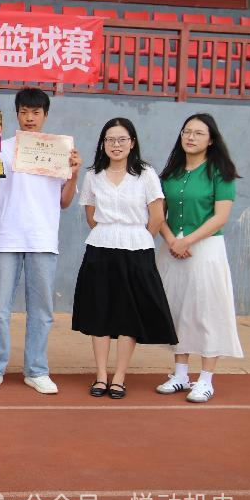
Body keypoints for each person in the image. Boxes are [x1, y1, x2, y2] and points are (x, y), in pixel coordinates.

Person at [0, 88, 81, 394]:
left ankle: (36, 370)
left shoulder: (60, 152)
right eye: (24, 112)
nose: (30, 118)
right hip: (6, 237)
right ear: (16, 114)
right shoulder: (2, 148)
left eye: (36, 112)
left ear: (45, 115)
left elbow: (64, 202)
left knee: (42, 310)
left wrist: (74, 174)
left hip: (42, 239)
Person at [71, 118, 178, 399]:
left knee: (128, 313)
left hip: (137, 250)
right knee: (100, 312)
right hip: (100, 248)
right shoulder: (93, 175)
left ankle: (119, 376)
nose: (115, 145)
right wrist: (112, 233)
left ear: (132, 143)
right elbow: (91, 217)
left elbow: (157, 216)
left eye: (122, 139)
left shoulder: (146, 174)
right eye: (110, 140)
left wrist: (137, 238)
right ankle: (100, 375)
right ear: (102, 144)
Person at [156, 114, 243, 403]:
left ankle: (206, 379)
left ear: (211, 139)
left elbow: (220, 217)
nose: (191, 137)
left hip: (205, 249)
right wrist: (172, 240)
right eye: (187, 132)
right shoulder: (170, 173)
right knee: (178, 309)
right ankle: (180, 374)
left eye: (198, 133)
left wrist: (187, 240)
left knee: (208, 311)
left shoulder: (220, 172)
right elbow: (158, 215)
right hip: (172, 249)